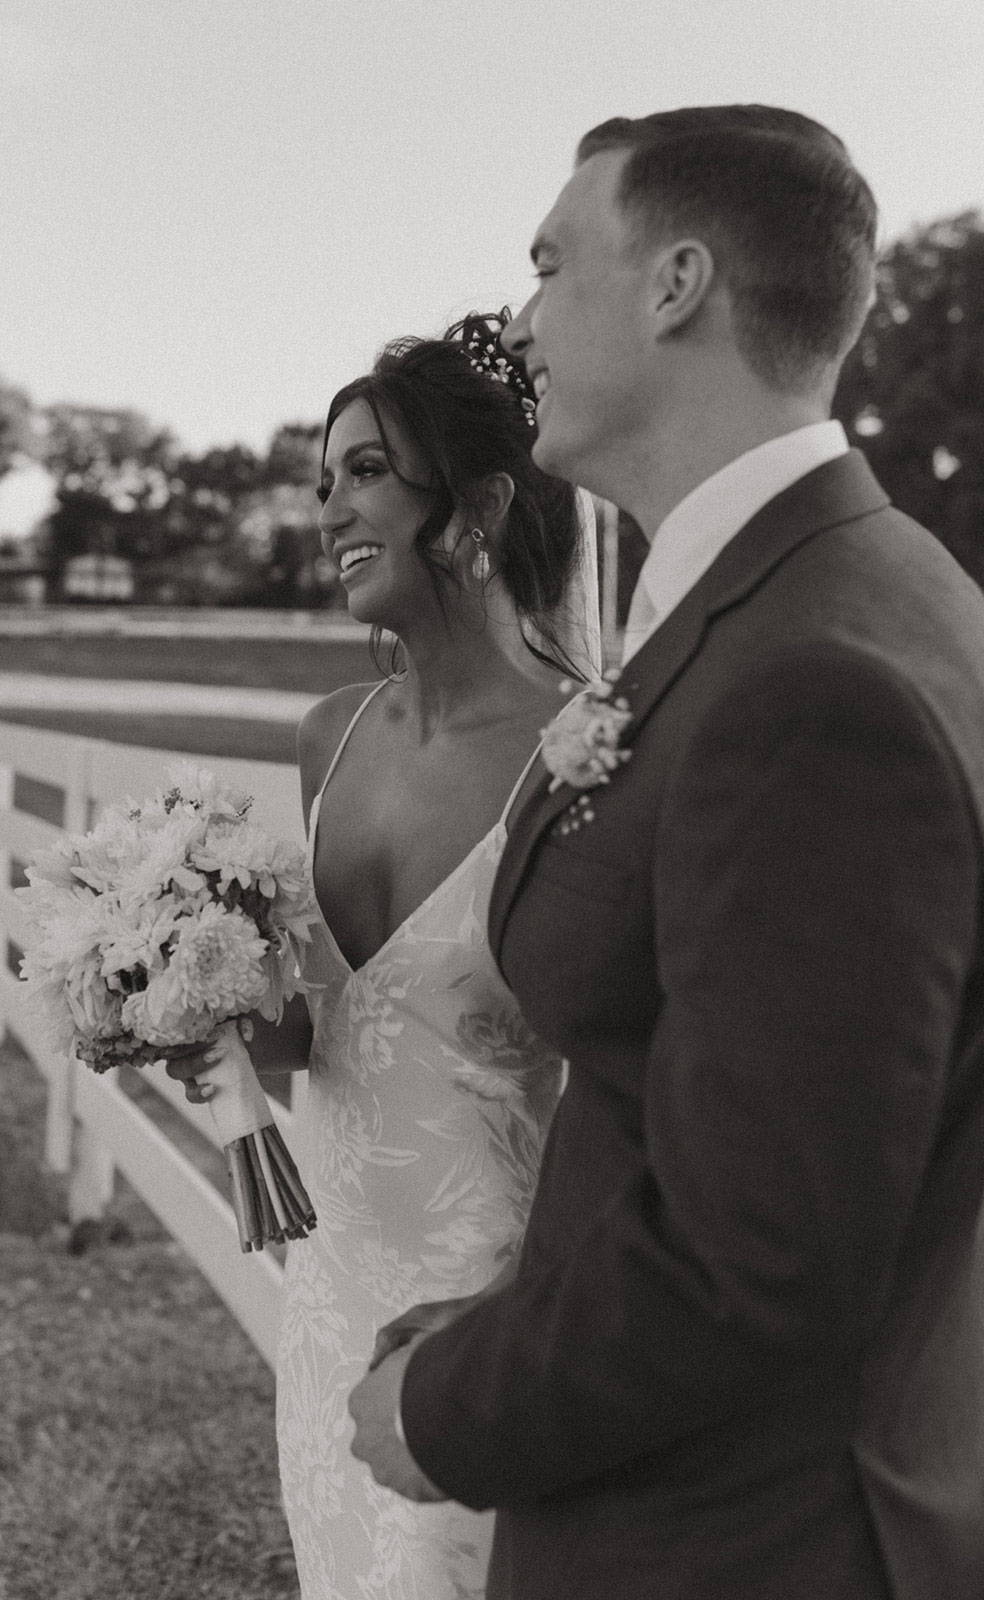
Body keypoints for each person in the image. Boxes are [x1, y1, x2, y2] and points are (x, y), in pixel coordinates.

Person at [348, 108, 984, 1599]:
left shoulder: (811, 681)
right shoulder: (849, 586)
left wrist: (445, 1413)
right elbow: (728, 1117)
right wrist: (498, 1313)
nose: (521, 320)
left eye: (552, 264)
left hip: (741, 1536)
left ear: (676, 283)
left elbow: (758, 1253)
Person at [171, 312, 600, 1598]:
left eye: (365, 471)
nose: (328, 508)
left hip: (485, 1307)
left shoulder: (586, 755)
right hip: (332, 1281)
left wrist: (535, 1307)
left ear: (475, 503)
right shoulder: (329, 736)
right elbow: (325, 1029)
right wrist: (196, 998)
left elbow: (628, 1070)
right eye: (322, 481)